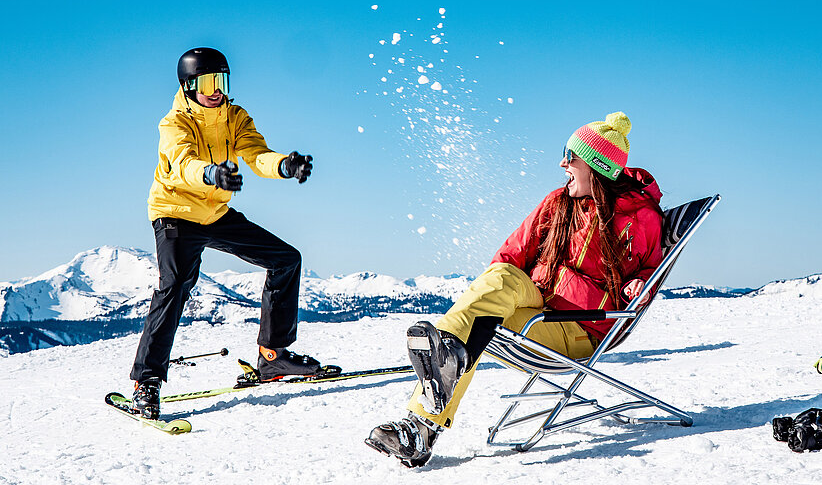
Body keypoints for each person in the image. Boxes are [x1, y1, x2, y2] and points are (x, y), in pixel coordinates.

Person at [366, 111, 664, 467]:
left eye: (570, 156)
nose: (562, 163)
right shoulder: (559, 202)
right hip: (538, 301)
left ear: (595, 165)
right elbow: (511, 254)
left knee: (478, 328)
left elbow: (649, 271)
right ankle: (447, 356)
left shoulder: (640, 217)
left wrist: (639, 285)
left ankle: (421, 428)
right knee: (497, 285)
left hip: (581, 325)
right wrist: (489, 292)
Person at [130, 47, 318, 419]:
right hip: (176, 213)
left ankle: (273, 356)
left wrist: (285, 165)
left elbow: (255, 153)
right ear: (188, 85)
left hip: (215, 212)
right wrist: (211, 174)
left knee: (285, 260)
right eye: (208, 82)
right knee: (176, 284)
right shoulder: (174, 123)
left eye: (222, 81)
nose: (216, 90)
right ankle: (146, 383)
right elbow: (182, 163)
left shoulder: (235, 116)